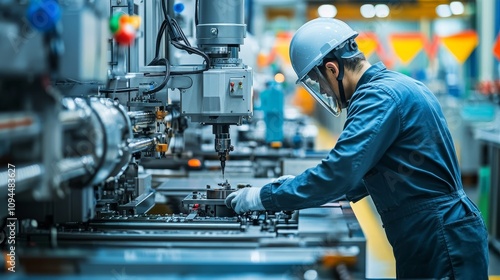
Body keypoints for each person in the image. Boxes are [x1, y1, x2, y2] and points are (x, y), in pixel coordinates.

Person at [225, 18, 489, 279]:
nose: (325, 92)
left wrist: (263, 197)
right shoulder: (395, 86)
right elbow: (379, 171)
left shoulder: (377, 98)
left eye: (320, 84)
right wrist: (296, 188)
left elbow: (339, 173)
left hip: (439, 238)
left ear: (332, 69)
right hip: (434, 232)